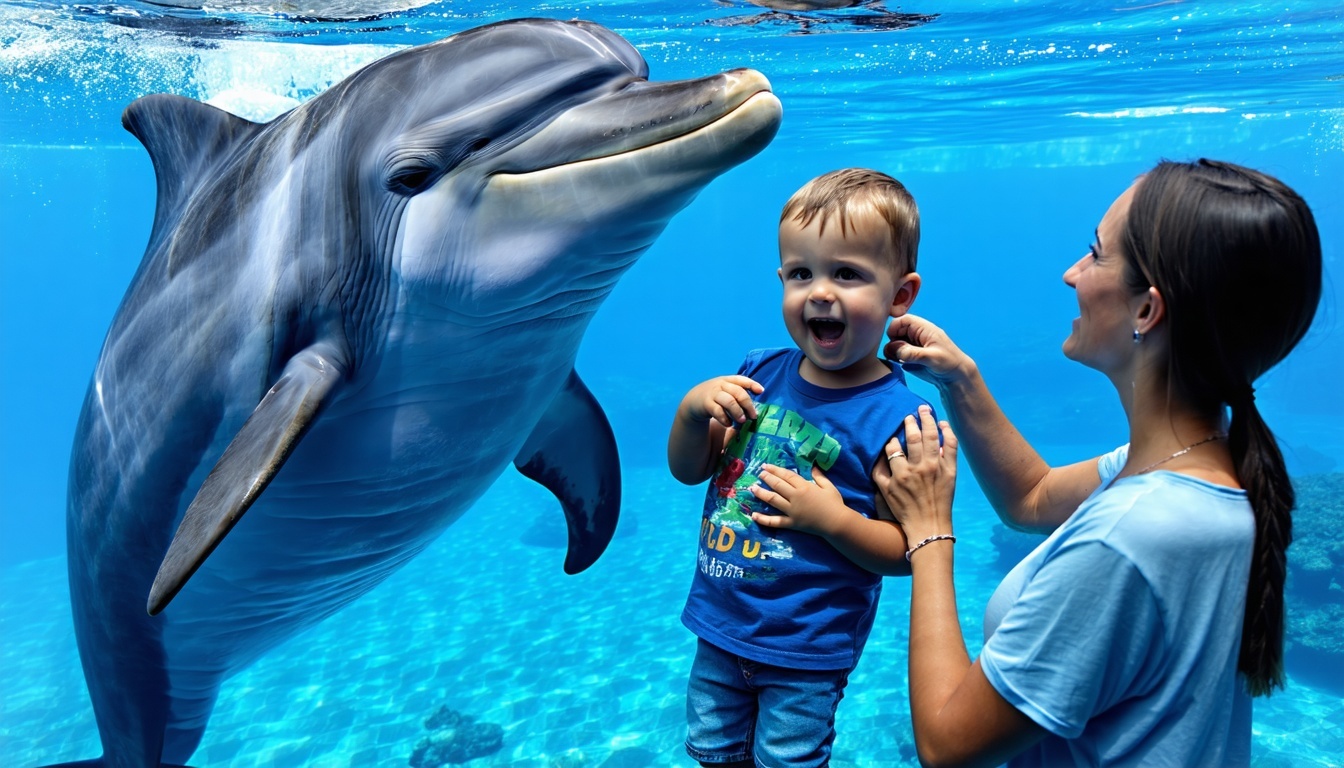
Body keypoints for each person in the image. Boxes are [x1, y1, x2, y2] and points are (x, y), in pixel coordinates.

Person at [842, 158, 1318, 767]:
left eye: (1095, 254)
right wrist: (960, 381)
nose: (1072, 275)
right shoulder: (1204, 465)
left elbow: (945, 744)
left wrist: (928, 531)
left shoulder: (1129, 538)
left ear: (1148, 310)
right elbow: (1032, 497)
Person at [668, 168, 933, 767]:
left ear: (900, 295)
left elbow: (905, 550)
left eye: (847, 273)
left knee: (788, 760)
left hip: (807, 644)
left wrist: (832, 521)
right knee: (711, 749)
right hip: (720, 623)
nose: (819, 291)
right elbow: (689, 470)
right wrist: (691, 412)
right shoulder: (757, 373)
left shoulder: (901, 418)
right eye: (800, 273)